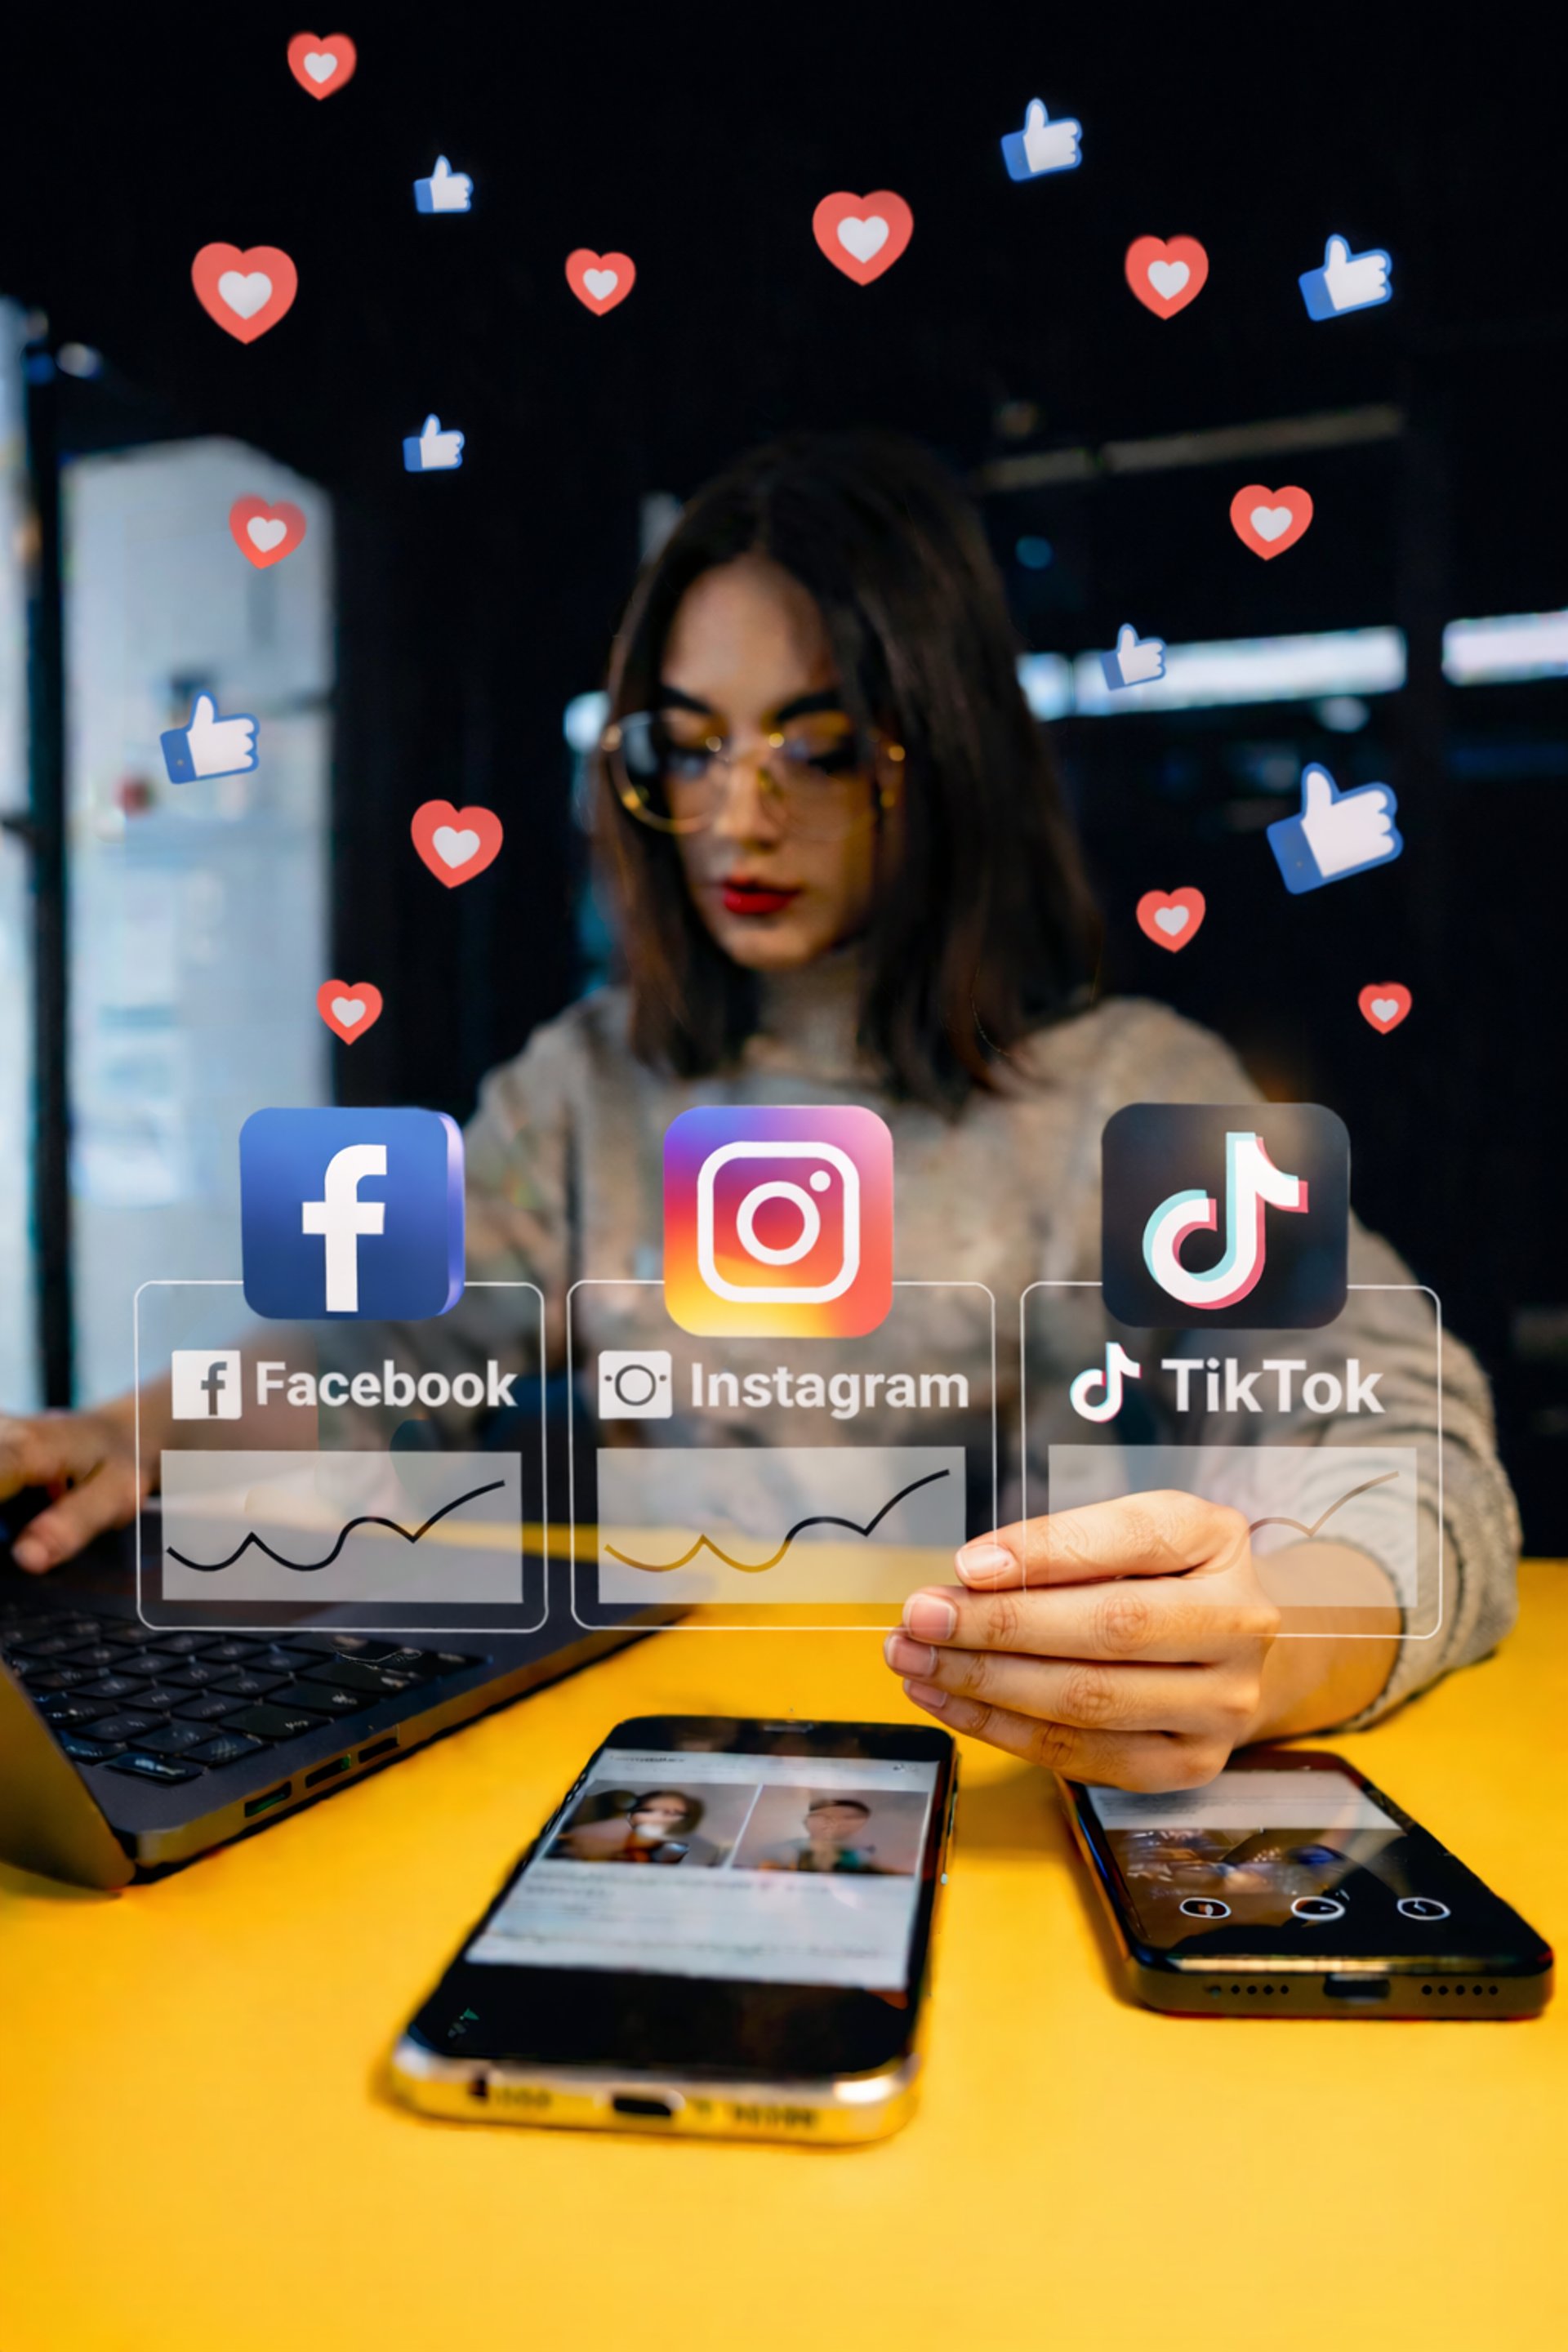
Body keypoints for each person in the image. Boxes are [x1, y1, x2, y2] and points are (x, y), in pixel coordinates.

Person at [0, 430, 1518, 1791]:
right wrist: (138, 1431)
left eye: (819, 742)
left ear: (946, 756)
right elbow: (382, 1339)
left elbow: (1402, 1431)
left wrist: (1288, 1642)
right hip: (660, 1769)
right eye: (694, 743)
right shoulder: (590, 1084)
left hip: (995, 1786)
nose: (740, 815)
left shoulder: (1133, 1092)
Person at [551, 1788, 721, 1867]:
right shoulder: (615, 1818)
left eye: (673, 1814)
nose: (663, 1815)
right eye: (649, 1810)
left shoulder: (660, 1850)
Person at [750, 1795, 895, 1874]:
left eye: (850, 1819)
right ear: (807, 1821)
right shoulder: (780, 1851)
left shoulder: (857, 1857)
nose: (835, 1823)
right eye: (827, 1817)